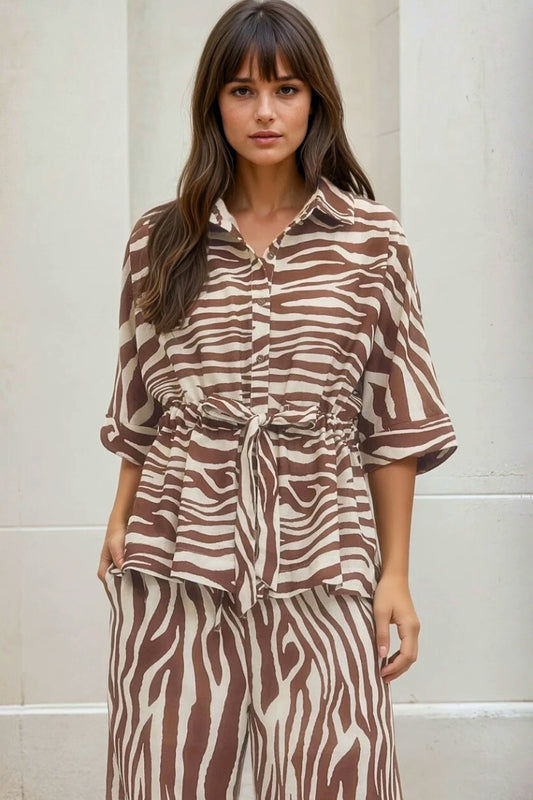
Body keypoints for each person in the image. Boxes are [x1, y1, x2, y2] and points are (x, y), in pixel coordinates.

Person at [97, 1, 458, 798]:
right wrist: (120, 517)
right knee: (165, 775)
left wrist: (393, 575)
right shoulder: (159, 240)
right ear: (212, 104)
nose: (264, 112)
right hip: (176, 548)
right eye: (240, 90)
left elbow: (392, 422)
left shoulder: (372, 240)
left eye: (286, 89)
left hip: (323, 549)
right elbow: (139, 406)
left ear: (315, 101)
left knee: (341, 777)